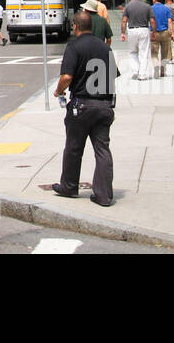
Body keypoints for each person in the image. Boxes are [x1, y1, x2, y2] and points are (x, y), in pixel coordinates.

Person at [51, 11, 116, 207]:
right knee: (102, 149)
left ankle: (69, 186)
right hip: (104, 105)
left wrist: (58, 91)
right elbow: (112, 76)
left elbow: (67, 77)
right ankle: (104, 195)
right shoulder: (105, 48)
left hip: (82, 105)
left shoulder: (74, 46)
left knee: (73, 147)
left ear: (76, 26)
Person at [121, 0, 152, 80]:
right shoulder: (147, 6)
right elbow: (153, 20)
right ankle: (142, 74)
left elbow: (124, 21)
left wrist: (123, 33)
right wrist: (153, 31)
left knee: (133, 51)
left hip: (132, 30)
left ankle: (135, 70)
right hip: (144, 29)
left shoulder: (128, 6)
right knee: (144, 52)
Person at [149, 0, 173, 78]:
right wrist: (172, 33)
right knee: (165, 53)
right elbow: (170, 21)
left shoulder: (150, 9)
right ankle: (163, 71)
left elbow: (150, 21)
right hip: (165, 33)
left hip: (154, 33)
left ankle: (156, 66)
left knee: (154, 53)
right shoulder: (166, 9)